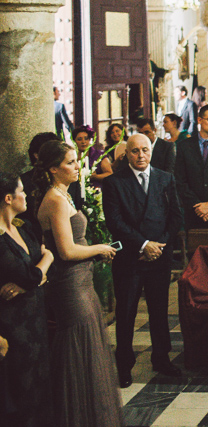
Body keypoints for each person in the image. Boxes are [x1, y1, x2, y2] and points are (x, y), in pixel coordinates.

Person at [34, 141, 124, 427]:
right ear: (52, 169)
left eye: (76, 161)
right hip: (70, 284)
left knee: (89, 341)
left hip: (81, 281)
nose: (77, 166)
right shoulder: (56, 200)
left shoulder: (64, 195)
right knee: (78, 344)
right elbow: (67, 251)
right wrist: (99, 248)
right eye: (71, 162)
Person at [102, 133, 184, 387]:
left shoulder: (164, 178)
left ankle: (161, 358)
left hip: (159, 256)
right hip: (130, 257)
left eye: (145, 150)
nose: (141, 156)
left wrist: (158, 245)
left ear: (151, 151)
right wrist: (143, 244)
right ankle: (124, 365)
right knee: (126, 313)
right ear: (126, 154)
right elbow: (114, 221)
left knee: (159, 310)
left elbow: (176, 216)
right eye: (135, 151)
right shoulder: (115, 182)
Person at [0, 173, 55, 426]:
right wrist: (46, 262)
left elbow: (36, 274)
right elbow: (32, 272)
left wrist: (28, 284)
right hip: (14, 325)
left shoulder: (23, 227)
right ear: (8, 198)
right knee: (21, 391)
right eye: (21, 191)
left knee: (42, 386)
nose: (26, 195)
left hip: (35, 318)